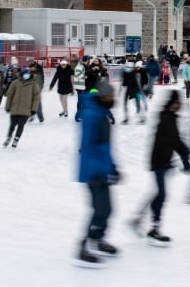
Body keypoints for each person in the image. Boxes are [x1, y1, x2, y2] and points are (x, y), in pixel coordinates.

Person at [75, 80, 121, 267]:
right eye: (109, 97)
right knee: (100, 210)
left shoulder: (102, 113)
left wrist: (113, 168)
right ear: (101, 97)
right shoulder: (92, 115)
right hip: (93, 172)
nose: (112, 100)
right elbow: (88, 147)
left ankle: (97, 239)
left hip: (101, 170)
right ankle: (84, 246)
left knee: (107, 209)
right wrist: (97, 172)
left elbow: (106, 148)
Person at [143, 91, 190, 245]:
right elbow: (165, 142)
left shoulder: (170, 118)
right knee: (161, 194)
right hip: (159, 162)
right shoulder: (165, 119)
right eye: (177, 103)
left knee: (159, 193)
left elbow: (176, 141)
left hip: (163, 162)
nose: (179, 105)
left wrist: (185, 158)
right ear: (171, 103)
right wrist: (169, 160)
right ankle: (154, 228)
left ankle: (140, 220)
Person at [3, 67, 40, 148]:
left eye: (28, 74)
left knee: (21, 124)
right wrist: (8, 106)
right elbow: (10, 95)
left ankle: (16, 139)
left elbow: (36, 97)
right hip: (15, 108)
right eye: (25, 74)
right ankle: (9, 137)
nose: (26, 75)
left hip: (26, 109)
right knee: (12, 124)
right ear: (22, 74)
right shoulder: (15, 83)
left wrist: (34, 109)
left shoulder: (33, 84)